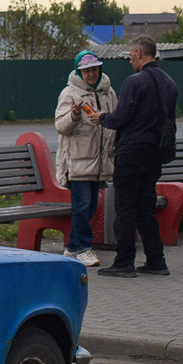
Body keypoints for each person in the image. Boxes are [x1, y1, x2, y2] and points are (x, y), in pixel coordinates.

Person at [92, 36, 179, 277]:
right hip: (155, 153)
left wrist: (101, 117)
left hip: (131, 152)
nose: (130, 60)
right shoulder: (169, 82)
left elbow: (121, 118)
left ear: (139, 53)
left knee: (126, 207)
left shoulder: (135, 81)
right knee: (146, 207)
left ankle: (124, 261)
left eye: (131, 55)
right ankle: (156, 260)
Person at [53, 50, 117, 267]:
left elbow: (116, 120)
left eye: (94, 70)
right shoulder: (69, 93)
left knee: (91, 207)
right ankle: (84, 248)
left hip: (99, 162)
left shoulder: (109, 93)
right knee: (81, 206)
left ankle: (71, 246)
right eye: (87, 71)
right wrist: (74, 115)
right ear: (79, 72)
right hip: (78, 161)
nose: (91, 74)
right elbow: (61, 127)